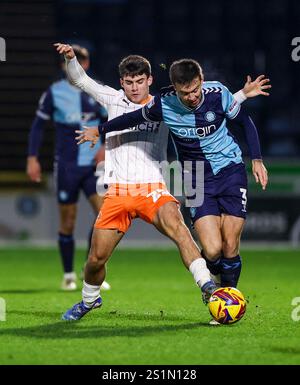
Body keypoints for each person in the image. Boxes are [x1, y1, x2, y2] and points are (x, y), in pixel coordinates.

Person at [55, 43, 269, 322]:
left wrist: (240, 96)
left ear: (150, 80)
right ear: (122, 82)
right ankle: (89, 299)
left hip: (154, 187)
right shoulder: (112, 98)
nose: (134, 87)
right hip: (118, 191)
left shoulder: (166, 104)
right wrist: (72, 60)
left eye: (140, 81)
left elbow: (206, 107)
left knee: (180, 229)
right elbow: (79, 79)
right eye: (129, 82)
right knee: (96, 259)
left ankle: (208, 288)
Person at [27, 44, 111, 292]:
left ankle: (91, 270)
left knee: (103, 216)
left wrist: (105, 145)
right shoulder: (55, 93)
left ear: (86, 64)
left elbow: (115, 120)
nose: (78, 64)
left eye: (82, 60)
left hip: (93, 168)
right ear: (65, 66)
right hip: (67, 167)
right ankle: (68, 274)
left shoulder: (97, 92)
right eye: (71, 60)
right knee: (68, 221)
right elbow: (38, 127)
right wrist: (33, 158)